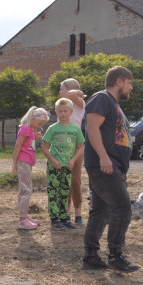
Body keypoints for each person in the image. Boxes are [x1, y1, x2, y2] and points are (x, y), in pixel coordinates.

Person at [82, 66, 140, 273]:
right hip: (104, 165)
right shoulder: (102, 98)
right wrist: (104, 157)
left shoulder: (112, 103)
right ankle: (115, 256)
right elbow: (91, 128)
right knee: (123, 208)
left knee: (101, 210)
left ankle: (91, 256)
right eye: (129, 83)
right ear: (119, 82)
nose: (131, 88)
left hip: (111, 165)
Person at [42, 98, 85, 231]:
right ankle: (54, 219)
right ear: (56, 112)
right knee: (54, 192)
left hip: (67, 166)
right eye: (60, 111)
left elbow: (80, 147)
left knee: (65, 192)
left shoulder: (75, 129)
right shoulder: (52, 128)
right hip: (54, 166)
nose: (62, 113)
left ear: (71, 112)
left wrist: (73, 160)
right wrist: (53, 160)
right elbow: (44, 147)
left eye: (65, 111)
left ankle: (65, 218)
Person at [12, 106, 49, 231]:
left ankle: (24, 216)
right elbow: (18, 146)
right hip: (23, 162)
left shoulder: (29, 130)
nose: (39, 126)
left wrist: (35, 138)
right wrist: (14, 164)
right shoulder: (26, 129)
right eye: (39, 123)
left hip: (26, 162)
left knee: (25, 189)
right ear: (33, 119)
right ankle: (22, 220)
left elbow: (27, 145)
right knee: (26, 190)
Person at [60, 77, 87, 225]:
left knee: (75, 180)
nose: (60, 92)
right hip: (62, 146)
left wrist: (77, 91)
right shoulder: (61, 106)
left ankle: (78, 215)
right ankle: (65, 214)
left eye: (61, 88)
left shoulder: (80, 104)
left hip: (76, 144)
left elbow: (75, 94)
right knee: (64, 181)